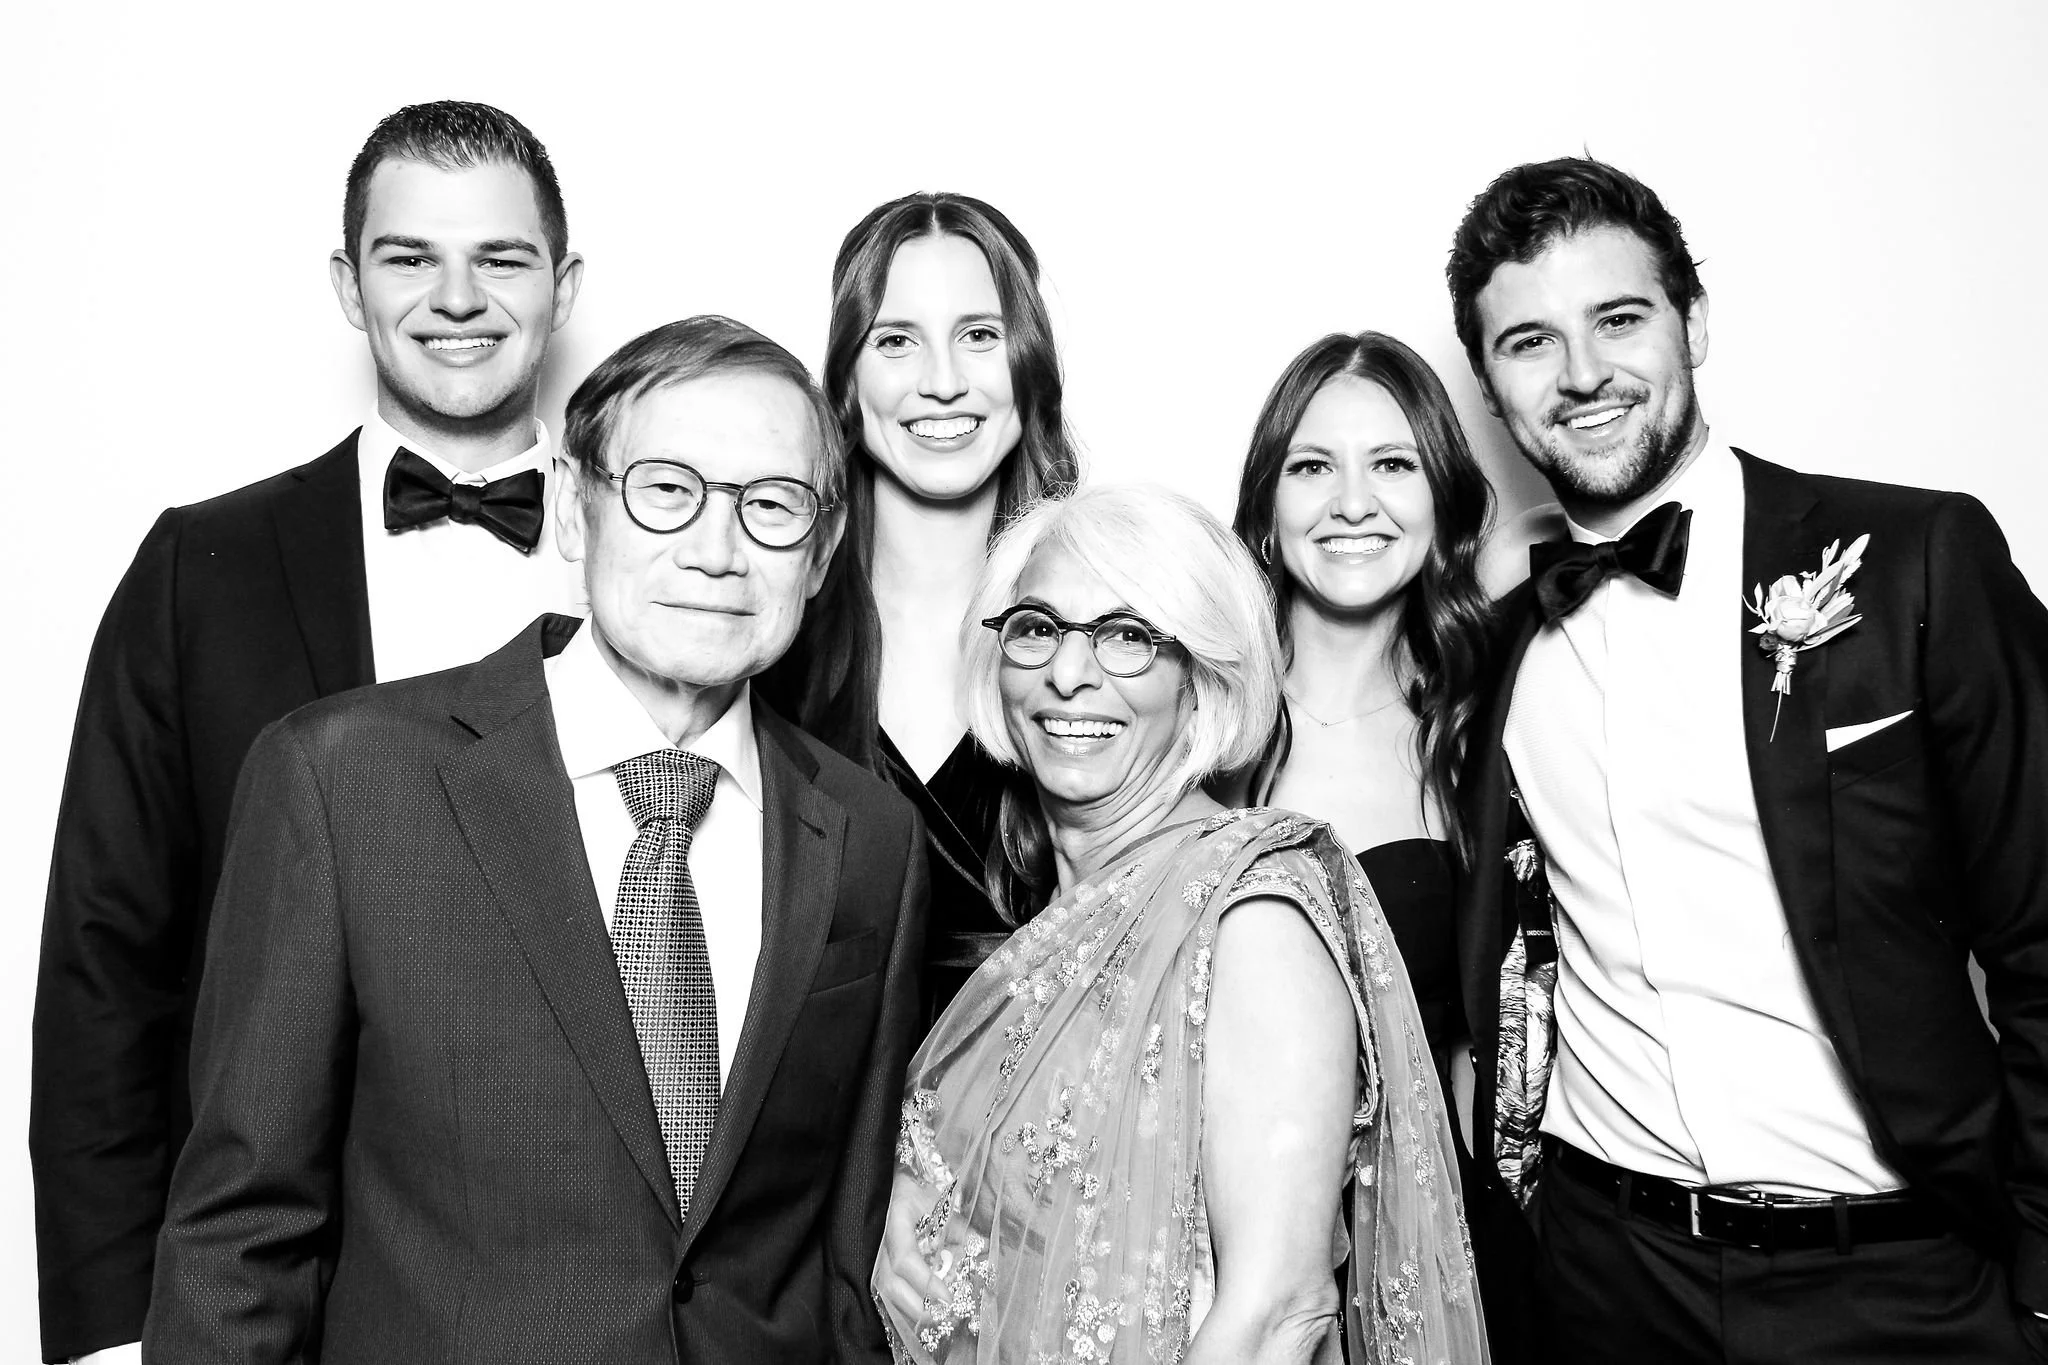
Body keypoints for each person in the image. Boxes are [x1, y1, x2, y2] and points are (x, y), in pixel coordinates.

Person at [141, 317, 928, 1363]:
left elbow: (841, 1262)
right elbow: (239, 1240)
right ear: (571, 507)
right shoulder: (343, 781)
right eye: (665, 489)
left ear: (822, 553)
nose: (715, 550)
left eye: (772, 505)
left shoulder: (870, 835)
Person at [1449, 156, 2048, 1363]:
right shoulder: (1498, 644)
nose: (1580, 374)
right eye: (1528, 342)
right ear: (1491, 390)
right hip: (1605, 1279)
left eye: (1618, 319)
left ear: (1694, 323)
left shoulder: (1913, 558)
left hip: (1903, 1281)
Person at [29, 100, 585, 1365]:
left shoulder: (665, 560)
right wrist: (112, 1336)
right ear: (348, 284)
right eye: (409, 256)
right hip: (262, 1295)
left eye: (500, 257)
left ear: (563, 287)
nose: (457, 298)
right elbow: (106, 968)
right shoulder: (201, 569)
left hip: (573, 1294)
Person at [872, 485, 1486, 1363]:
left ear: (1201, 682)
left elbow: (1279, 1314)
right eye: (1038, 627)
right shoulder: (1048, 917)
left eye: (1128, 636)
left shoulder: (1253, 917)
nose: (1068, 673)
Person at [760, 191, 1081, 1023]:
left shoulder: (1113, 626)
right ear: (846, 377)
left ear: (1030, 362)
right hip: (812, 1095)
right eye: (896, 340)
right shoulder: (763, 628)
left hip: (1046, 1088)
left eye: (979, 336)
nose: (942, 383)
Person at [1226, 330, 1495, 1074]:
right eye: (1313, 466)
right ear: (1269, 504)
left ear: (1441, 498)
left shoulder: (1478, 730)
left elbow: (1475, 1053)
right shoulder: (1192, 721)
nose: (1351, 504)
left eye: (1393, 464)